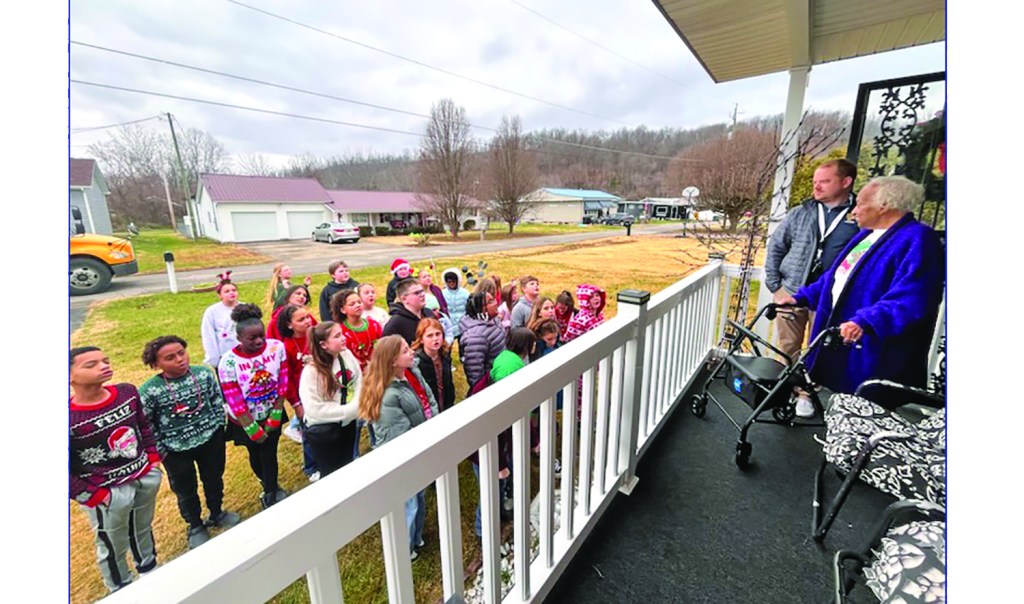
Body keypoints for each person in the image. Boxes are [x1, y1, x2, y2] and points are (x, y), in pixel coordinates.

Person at [779, 175, 945, 397]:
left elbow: (914, 298)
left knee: (869, 403)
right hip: (845, 337)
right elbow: (837, 277)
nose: (853, 212)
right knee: (842, 396)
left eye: (860, 205)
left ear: (883, 206)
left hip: (875, 345)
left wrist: (867, 320)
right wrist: (802, 297)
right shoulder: (866, 236)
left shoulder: (919, 239)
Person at [765, 158, 860, 417]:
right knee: (786, 346)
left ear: (846, 182)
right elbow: (776, 248)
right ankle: (781, 391)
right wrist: (776, 286)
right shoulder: (801, 212)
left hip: (831, 299)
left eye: (824, 181)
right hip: (792, 292)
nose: (816, 187)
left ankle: (806, 395)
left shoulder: (859, 216)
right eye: (815, 181)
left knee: (820, 349)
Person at [70, 347, 163, 593]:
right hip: (107, 491)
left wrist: (152, 458)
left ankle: (149, 569)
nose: (103, 366)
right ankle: (120, 586)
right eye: (90, 365)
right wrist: (95, 496)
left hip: (144, 475)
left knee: (142, 526)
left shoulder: (126, 393)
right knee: (112, 542)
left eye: (105, 360)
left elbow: (142, 425)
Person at [138, 336, 240, 550]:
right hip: (175, 450)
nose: (179, 359)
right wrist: (161, 450)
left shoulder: (203, 374)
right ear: (156, 364)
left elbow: (216, 400)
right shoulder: (150, 391)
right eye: (170, 358)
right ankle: (195, 524)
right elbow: (146, 424)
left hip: (210, 440)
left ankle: (217, 512)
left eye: (181, 353)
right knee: (185, 488)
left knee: (213, 478)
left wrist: (218, 429)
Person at [358, 335, 439, 560]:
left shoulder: (412, 372)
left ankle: (417, 537)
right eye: (405, 350)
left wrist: (434, 421)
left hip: (422, 439)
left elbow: (429, 396)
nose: (412, 351)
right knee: (409, 502)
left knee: (419, 496)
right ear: (392, 361)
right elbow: (399, 437)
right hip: (403, 455)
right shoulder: (387, 396)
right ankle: (404, 548)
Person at [217, 304, 290, 509]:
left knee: (270, 452)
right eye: (252, 339)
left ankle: (271, 489)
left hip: (271, 411)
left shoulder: (277, 348)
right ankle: (266, 483)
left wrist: (276, 411)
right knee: (256, 452)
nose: (259, 341)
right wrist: (250, 426)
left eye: (261, 336)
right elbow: (233, 396)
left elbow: (282, 379)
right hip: (245, 418)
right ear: (239, 338)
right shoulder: (228, 362)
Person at [299, 321, 364, 476]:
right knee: (333, 474)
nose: (344, 338)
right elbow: (314, 409)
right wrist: (351, 410)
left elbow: (359, 380)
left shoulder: (346, 355)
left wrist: (357, 403)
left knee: (347, 465)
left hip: (348, 424)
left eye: (342, 333)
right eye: (337, 336)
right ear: (323, 345)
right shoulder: (311, 372)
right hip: (326, 432)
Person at [275, 304, 321, 482]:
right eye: (301, 320)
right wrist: (296, 404)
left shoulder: (315, 337)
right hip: (304, 395)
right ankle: (311, 466)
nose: (308, 321)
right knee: (309, 431)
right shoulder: (286, 347)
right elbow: (287, 380)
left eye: (308, 317)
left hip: (322, 388)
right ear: (289, 325)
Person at [459, 291, 506, 394]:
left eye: (493, 299)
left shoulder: (493, 320)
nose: (496, 303)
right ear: (481, 309)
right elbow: (475, 373)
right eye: (491, 301)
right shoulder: (474, 337)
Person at [330, 288, 383, 371]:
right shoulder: (341, 331)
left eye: (359, 302)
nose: (358, 305)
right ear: (343, 310)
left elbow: (383, 345)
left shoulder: (374, 324)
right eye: (352, 304)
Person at [412, 318, 455, 413]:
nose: (435, 339)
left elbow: (448, 381)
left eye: (438, 334)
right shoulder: (417, 361)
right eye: (429, 336)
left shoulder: (444, 354)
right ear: (421, 339)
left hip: (446, 400)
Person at [200, 271, 240, 368]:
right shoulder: (212, 312)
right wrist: (213, 358)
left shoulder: (245, 308)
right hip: (225, 354)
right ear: (219, 295)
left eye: (233, 290)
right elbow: (208, 335)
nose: (231, 293)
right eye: (227, 291)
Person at [382, 277, 437, 345]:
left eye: (422, 291)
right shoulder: (395, 323)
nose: (422, 295)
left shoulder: (429, 313)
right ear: (404, 299)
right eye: (417, 293)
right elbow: (387, 351)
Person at [441, 267, 470, 360]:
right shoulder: (443, 294)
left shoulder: (465, 293)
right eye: (449, 282)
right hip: (449, 324)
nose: (451, 284)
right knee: (448, 343)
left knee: (463, 342)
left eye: (453, 281)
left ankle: (463, 356)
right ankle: (447, 358)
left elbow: (469, 307)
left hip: (462, 323)